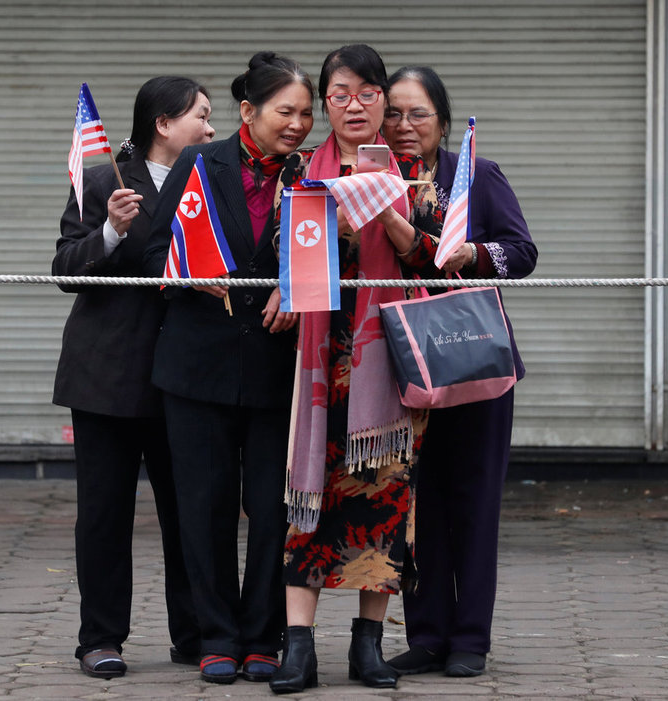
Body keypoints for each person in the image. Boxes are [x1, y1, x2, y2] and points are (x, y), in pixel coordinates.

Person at [268, 44, 441, 694]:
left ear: (383, 100)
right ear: (326, 103)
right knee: (306, 503)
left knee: (383, 502)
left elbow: (431, 258)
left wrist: (387, 210)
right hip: (316, 370)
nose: (355, 105)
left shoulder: (409, 172)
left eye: (368, 93)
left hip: (383, 368)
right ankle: (299, 649)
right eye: (340, 93)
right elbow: (280, 252)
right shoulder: (299, 171)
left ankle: (368, 647)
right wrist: (286, 280)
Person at [142, 52, 315, 686]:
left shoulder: (310, 173)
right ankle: (215, 636)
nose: (297, 125)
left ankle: (262, 637)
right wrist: (191, 273)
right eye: (284, 112)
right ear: (248, 111)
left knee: (272, 508)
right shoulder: (198, 163)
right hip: (197, 364)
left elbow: (321, 260)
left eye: (305, 113)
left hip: (276, 365)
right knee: (205, 506)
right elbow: (156, 248)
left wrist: (296, 291)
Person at [52, 75, 215, 679]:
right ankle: (99, 638)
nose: (211, 127)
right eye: (201, 115)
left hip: (187, 375)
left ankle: (195, 632)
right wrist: (111, 232)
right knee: (103, 513)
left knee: (190, 512)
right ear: (164, 124)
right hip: (108, 375)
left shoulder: (211, 178)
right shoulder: (104, 181)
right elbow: (66, 267)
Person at [382, 66, 538, 678]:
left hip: (473, 362)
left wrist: (474, 254)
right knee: (415, 502)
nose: (402, 125)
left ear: (443, 122)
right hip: (399, 365)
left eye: (417, 113)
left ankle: (470, 637)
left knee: (473, 502)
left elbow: (521, 252)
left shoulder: (474, 175)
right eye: (392, 112)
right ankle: (425, 635)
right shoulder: (368, 181)